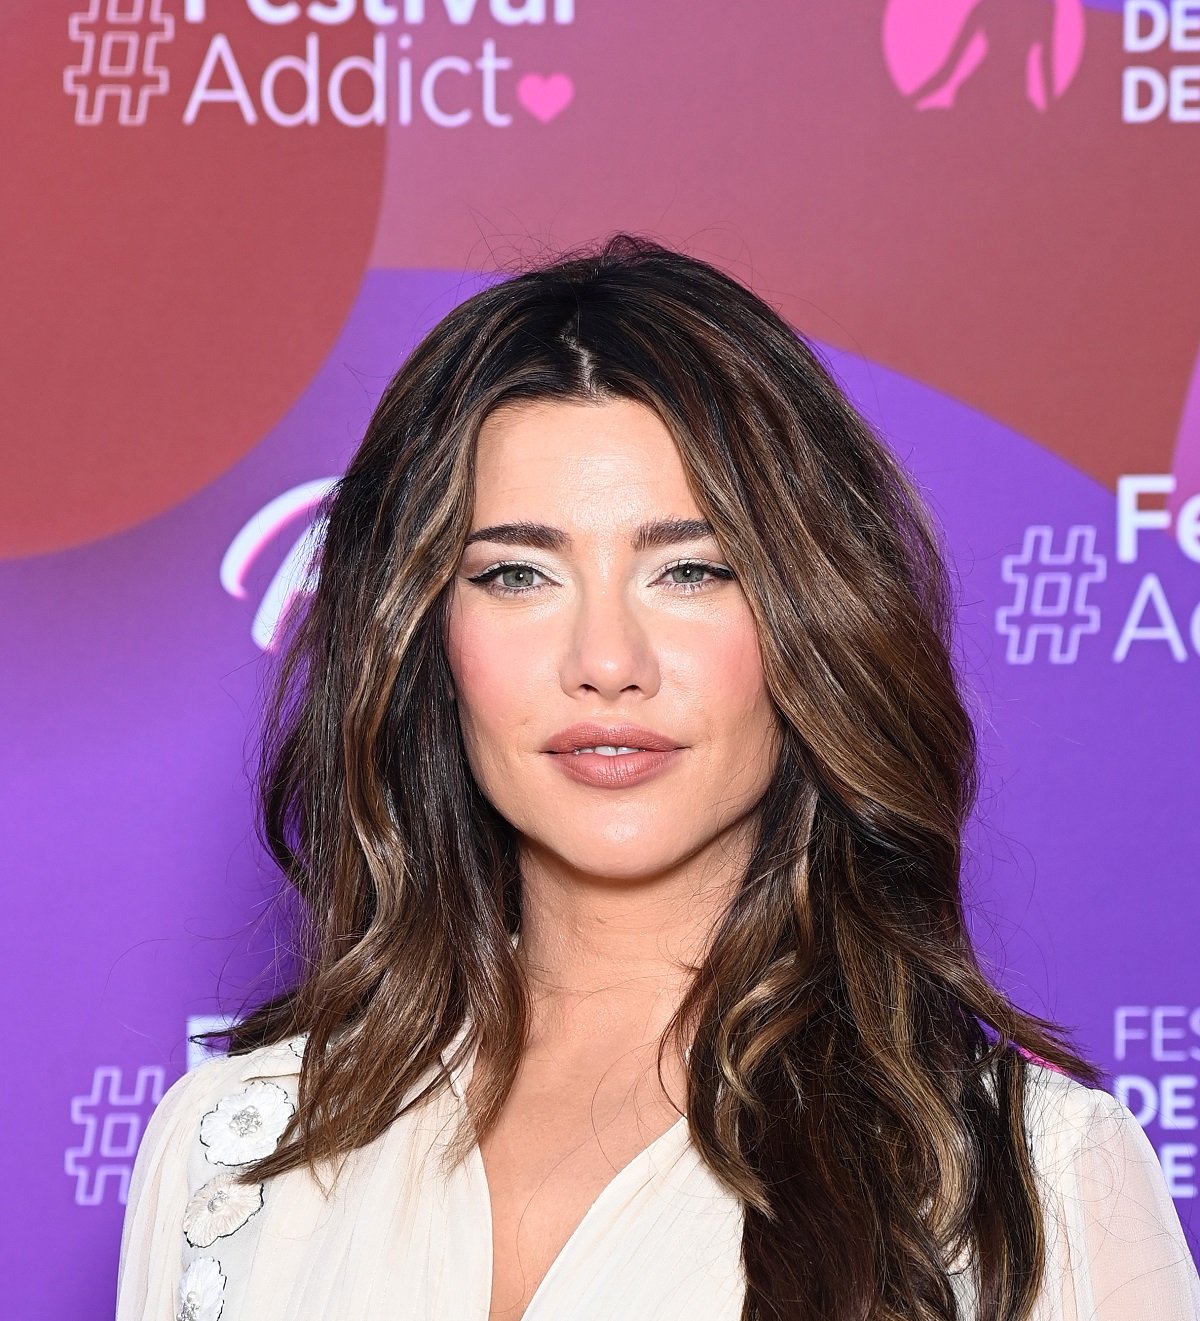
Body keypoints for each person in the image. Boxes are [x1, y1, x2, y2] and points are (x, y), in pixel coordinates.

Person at [116, 233, 1200, 1321]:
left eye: (689, 568)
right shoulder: (231, 1155)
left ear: (808, 619)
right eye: (517, 574)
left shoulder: (1027, 1178)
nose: (606, 662)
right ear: (430, 640)